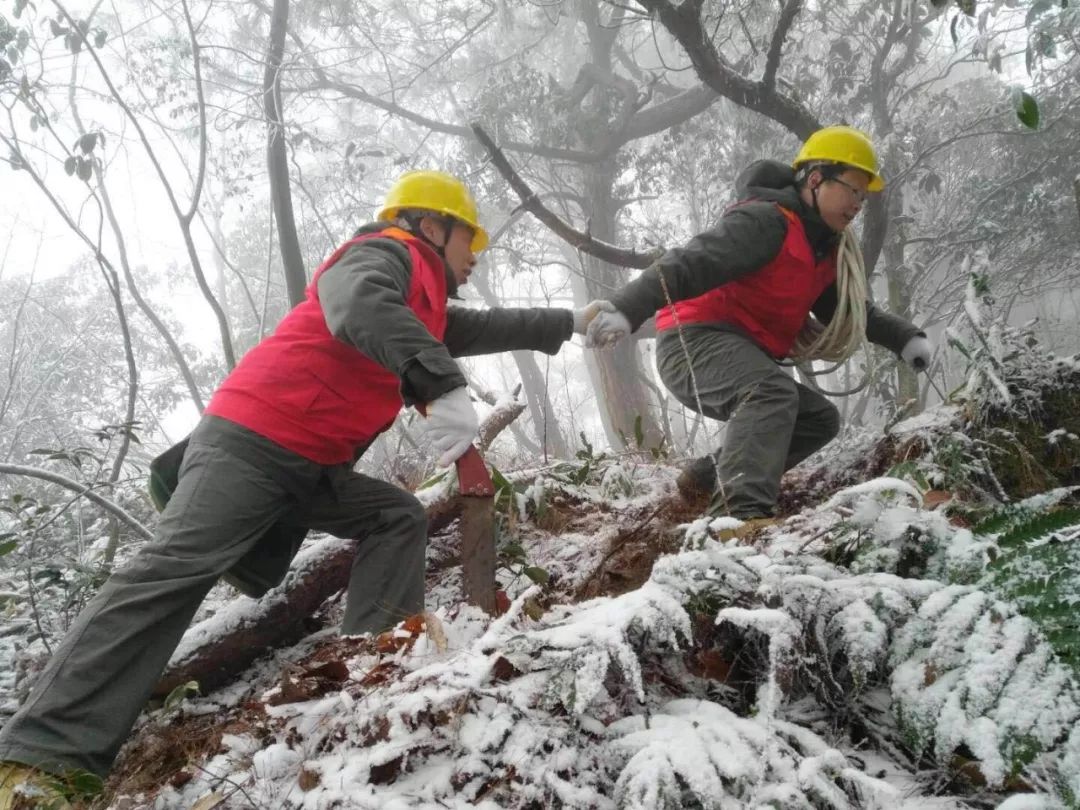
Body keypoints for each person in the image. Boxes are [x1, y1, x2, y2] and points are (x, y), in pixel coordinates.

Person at [0, 169, 609, 800]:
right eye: (467, 239)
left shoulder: (422, 302)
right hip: (252, 441)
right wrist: (437, 382)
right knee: (172, 571)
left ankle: (374, 666)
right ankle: (38, 759)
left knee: (394, 516)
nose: (474, 255)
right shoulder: (384, 255)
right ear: (431, 226)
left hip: (309, 466)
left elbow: (483, 326)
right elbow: (359, 306)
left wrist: (571, 320)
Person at [587, 125, 931, 528]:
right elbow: (688, 263)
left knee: (819, 419)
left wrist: (905, 337)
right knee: (772, 393)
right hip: (693, 343)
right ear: (816, 179)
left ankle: (706, 477)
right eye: (851, 189)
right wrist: (627, 309)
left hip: (741, 353)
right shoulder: (767, 222)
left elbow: (852, 312)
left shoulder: (822, 249)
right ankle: (738, 520)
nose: (857, 204)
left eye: (862, 195)